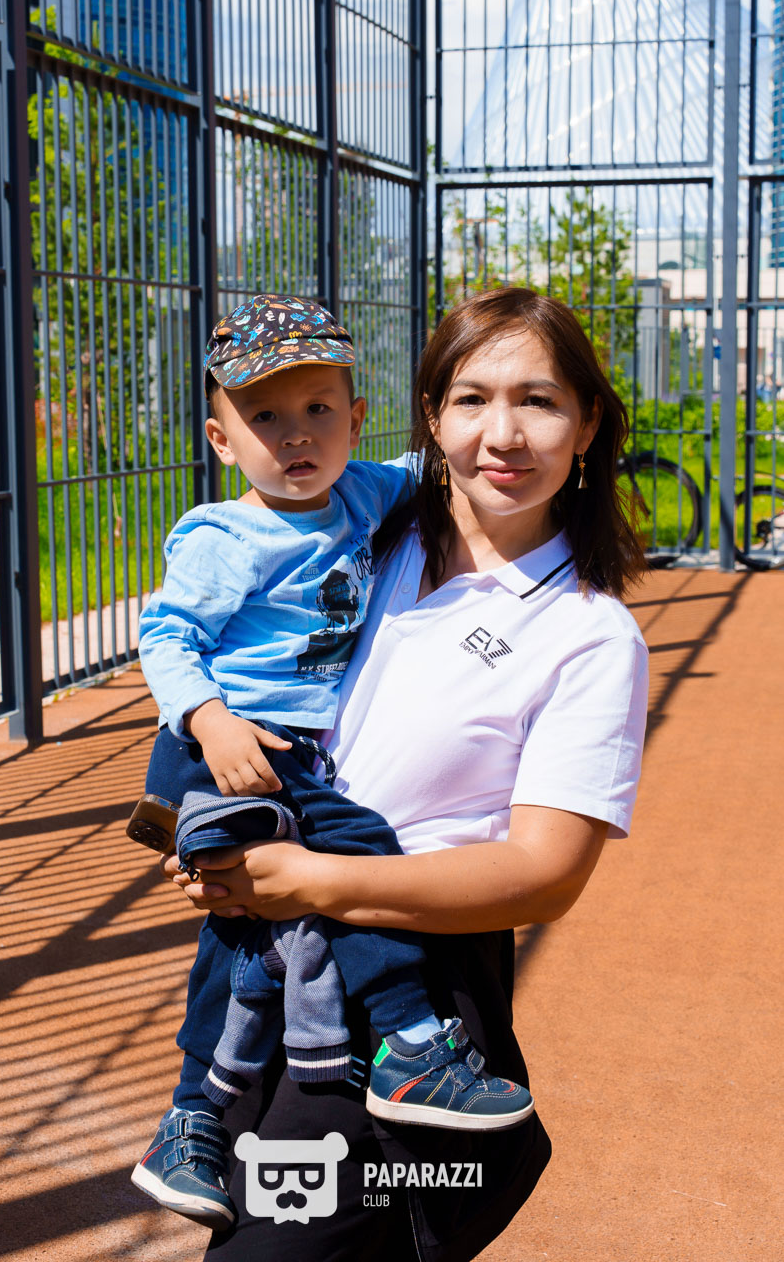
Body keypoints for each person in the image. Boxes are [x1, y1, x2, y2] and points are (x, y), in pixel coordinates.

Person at [158, 286, 650, 1261]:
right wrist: (216, 838)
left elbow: (546, 874)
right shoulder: (358, 530)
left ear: (588, 423)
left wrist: (313, 877)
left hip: (409, 986)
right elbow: (209, 655)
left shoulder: (589, 634)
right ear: (429, 418)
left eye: (538, 401)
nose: (502, 434)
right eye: (471, 399)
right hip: (276, 953)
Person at [130, 294, 535, 1230]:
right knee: (359, 848)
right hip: (220, 747)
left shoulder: (365, 493)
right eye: (264, 417)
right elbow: (165, 636)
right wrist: (211, 721)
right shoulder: (222, 537)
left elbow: (446, 462)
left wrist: (486, 404)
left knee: (247, 934)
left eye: (319, 409)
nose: (296, 434)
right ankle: (408, 1041)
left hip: (290, 756)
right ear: (221, 440)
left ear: (356, 420)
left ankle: (192, 1121)